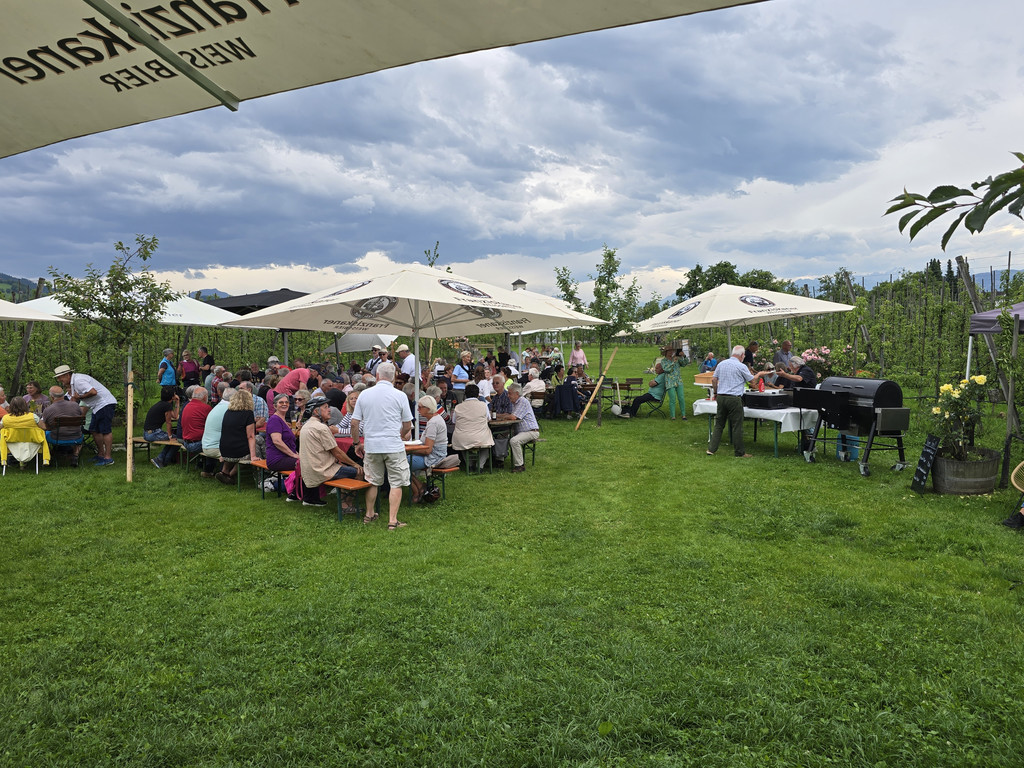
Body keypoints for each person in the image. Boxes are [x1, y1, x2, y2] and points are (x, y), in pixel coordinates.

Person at [350, 362, 413, 530]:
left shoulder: (364, 394)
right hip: (393, 445)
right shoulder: (400, 395)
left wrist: (357, 443)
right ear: (393, 377)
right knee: (396, 483)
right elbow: (407, 424)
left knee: (372, 481)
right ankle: (392, 520)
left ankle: (369, 514)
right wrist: (401, 435)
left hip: (372, 445)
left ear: (377, 376)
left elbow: (354, 423)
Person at [297, 396, 365, 508]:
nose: (329, 410)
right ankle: (346, 506)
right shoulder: (321, 428)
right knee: (359, 471)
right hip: (322, 471)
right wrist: (355, 464)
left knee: (347, 467)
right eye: (325, 407)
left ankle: (341, 502)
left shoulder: (306, 426)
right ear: (316, 411)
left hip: (309, 470)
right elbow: (337, 452)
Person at [706, 345, 771, 458]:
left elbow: (714, 379)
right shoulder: (741, 366)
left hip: (721, 396)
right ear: (741, 355)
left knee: (719, 424)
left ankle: (711, 449)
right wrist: (759, 374)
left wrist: (716, 392)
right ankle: (739, 452)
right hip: (734, 398)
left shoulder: (721, 364)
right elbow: (752, 381)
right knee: (737, 425)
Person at [53, 364, 117, 466]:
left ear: (67, 375)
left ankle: (108, 458)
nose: (59, 380)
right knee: (94, 430)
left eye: (60, 377)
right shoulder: (73, 384)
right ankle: (100, 454)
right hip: (96, 406)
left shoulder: (79, 381)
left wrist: (80, 397)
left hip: (104, 404)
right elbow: (74, 399)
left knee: (105, 431)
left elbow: (93, 392)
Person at [406, 395, 448, 502]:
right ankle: (419, 487)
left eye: (420, 407)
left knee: (400, 464)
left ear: (428, 409)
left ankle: (417, 490)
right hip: (436, 455)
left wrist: (409, 449)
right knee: (400, 463)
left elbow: (428, 450)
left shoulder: (433, 423)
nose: (417, 409)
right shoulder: (435, 419)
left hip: (433, 458)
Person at [218, 387, 257, 484]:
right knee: (258, 441)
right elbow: (251, 436)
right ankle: (231, 475)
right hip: (239, 452)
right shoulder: (248, 413)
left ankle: (224, 472)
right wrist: (253, 456)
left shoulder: (228, 412)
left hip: (224, 450)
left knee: (235, 446)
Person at [451, 383, 493, 472]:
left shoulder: (458, 407)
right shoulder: (483, 405)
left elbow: (454, 421)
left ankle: (469, 464)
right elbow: (489, 419)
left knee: (463, 444)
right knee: (487, 445)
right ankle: (480, 466)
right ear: (478, 395)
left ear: (465, 394)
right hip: (481, 437)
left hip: (462, 437)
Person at [0, 397, 49, 468]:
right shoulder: (33, 417)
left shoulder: (5, 418)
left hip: (12, 443)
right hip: (32, 442)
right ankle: (45, 460)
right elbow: (44, 427)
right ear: (25, 406)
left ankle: (5, 461)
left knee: (3, 432)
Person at [41, 386, 84, 466]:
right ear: (63, 395)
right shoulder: (75, 405)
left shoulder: (48, 410)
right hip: (77, 437)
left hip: (57, 438)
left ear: (52, 397)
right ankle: (75, 454)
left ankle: (49, 455)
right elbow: (80, 416)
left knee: (44, 433)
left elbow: (45, 426)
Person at [503, 383, 541, 473]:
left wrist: (502, 416)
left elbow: (513, 417)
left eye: (510, 393)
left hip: (531, 431)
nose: (508, 396)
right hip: (522, 431)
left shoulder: (522, 401)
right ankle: (498, 460)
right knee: (501, 436)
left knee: (514, 441)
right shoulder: (515, 403)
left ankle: (519, 465)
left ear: (517, 393)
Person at [180, 386, 216, 476]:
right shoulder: (206, 408)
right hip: (197, 444)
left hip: (186, 442)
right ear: (205, 397)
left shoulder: (187, 406)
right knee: (215, 443)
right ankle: (210, 470)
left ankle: (201, 463)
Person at [144, 385, 181, 469]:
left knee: (175, 438)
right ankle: (163, 460)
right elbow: (169, 422)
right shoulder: (167, 406)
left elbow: (174, 416)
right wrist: (170, 436)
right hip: (153, 433)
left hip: (148, 433)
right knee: (178, 440)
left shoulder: (162, 404)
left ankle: (161, 459)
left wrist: (177, 402)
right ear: (172, 396)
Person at [660, 347, 687, 421]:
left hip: (678, 381)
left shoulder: (676, 358)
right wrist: (673, 362)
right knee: (672, 399)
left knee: (681, 398)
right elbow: (667, 369)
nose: (671, 352)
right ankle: (673, 416)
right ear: (665, 352)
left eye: (672, 351)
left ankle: (684, 415)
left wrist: (684, 356)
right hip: (670, 382)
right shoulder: (663, 361)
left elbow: (684, 364)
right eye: (669, 351)